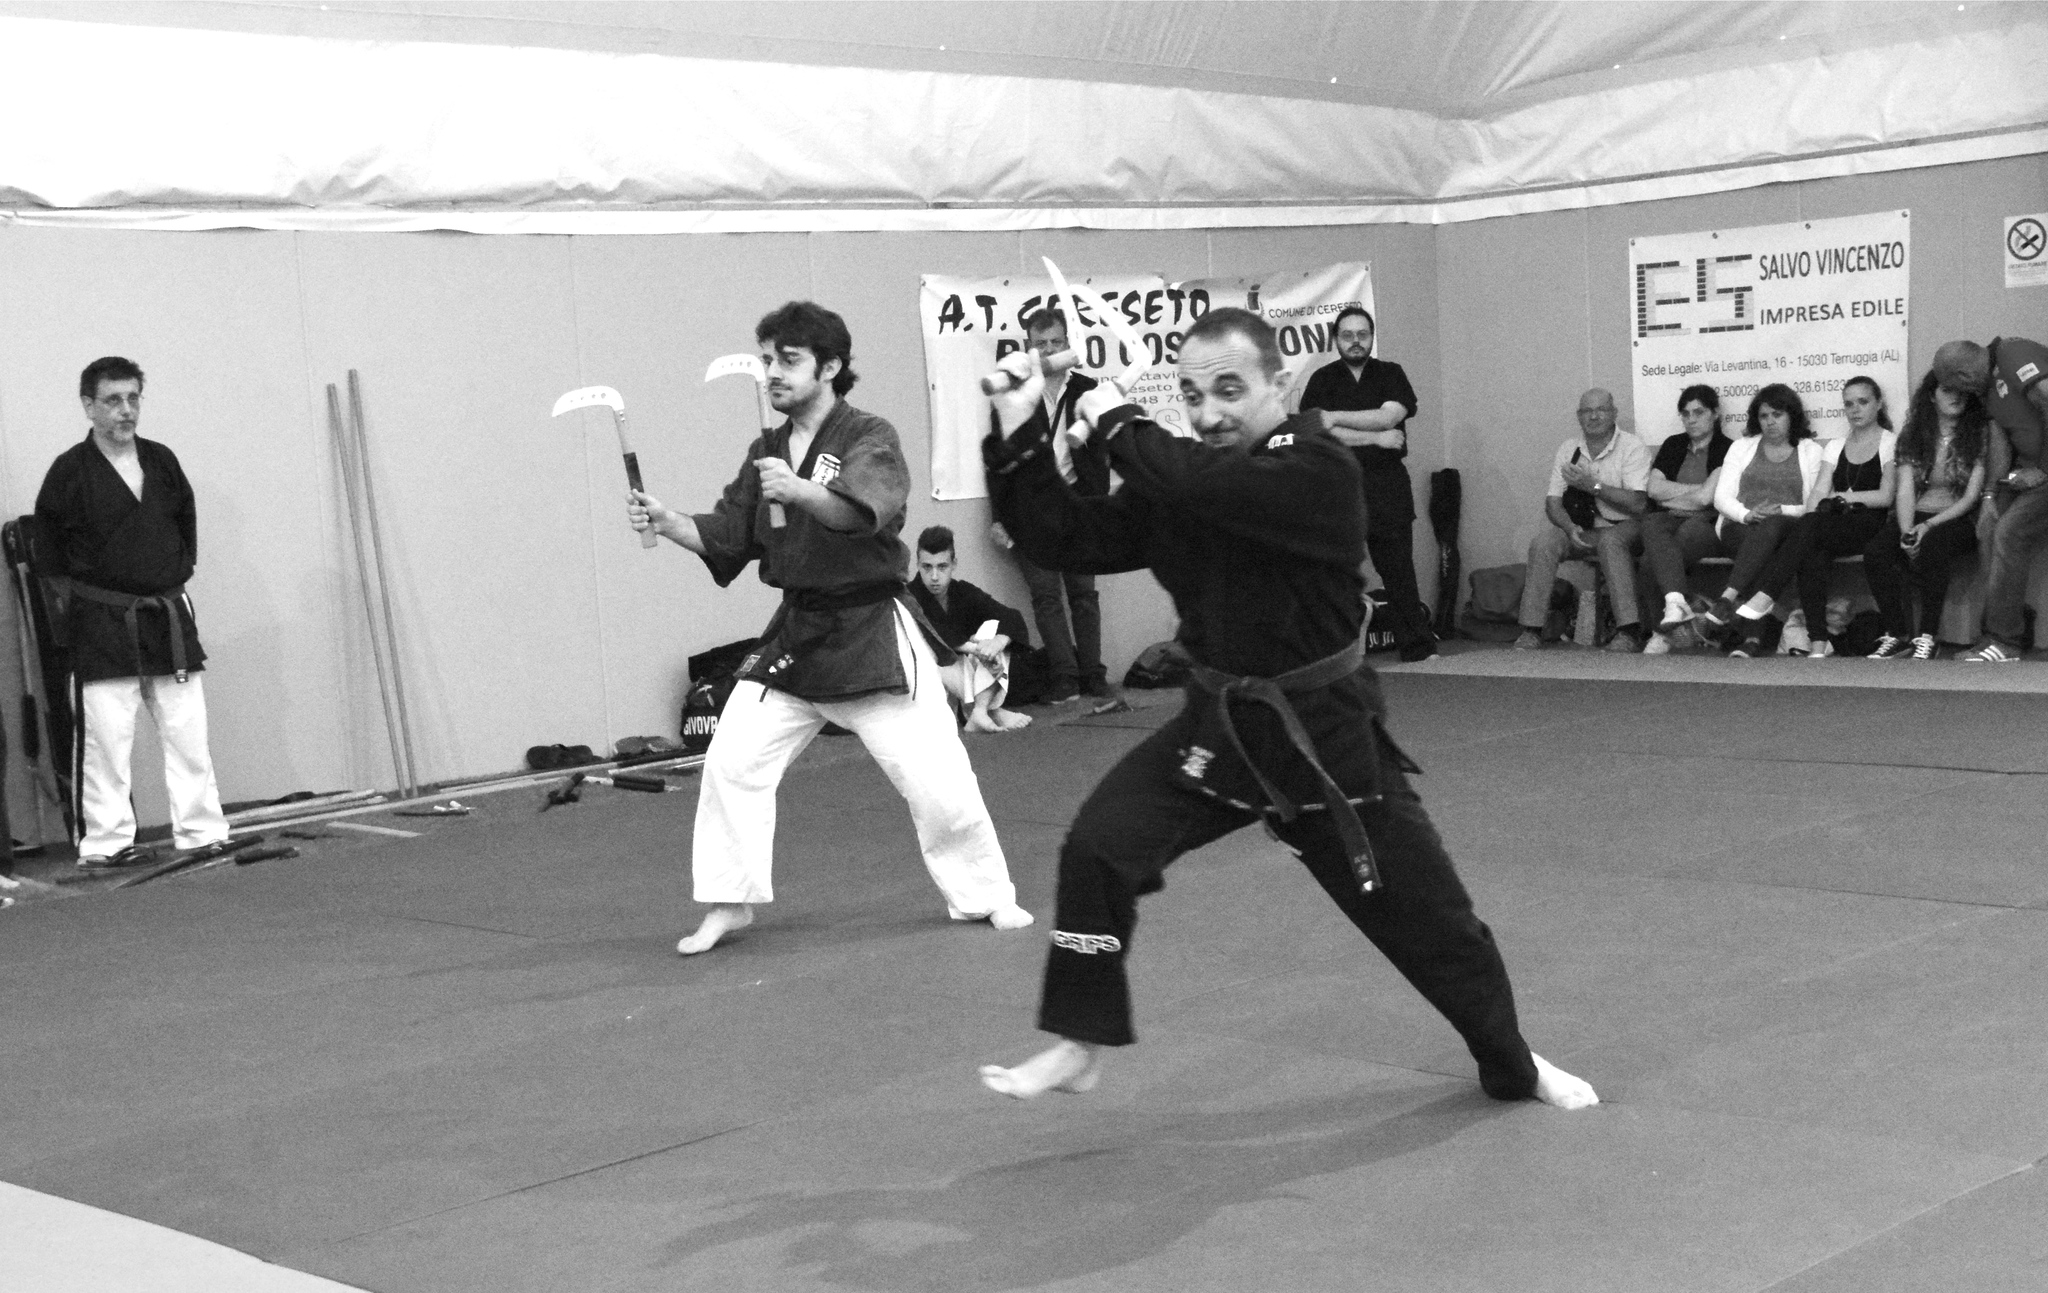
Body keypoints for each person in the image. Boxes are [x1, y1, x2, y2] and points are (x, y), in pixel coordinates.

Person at [974, 308, 1596, 1111]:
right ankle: (1080, 1039)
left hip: (1323, 738)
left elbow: (1211, 487)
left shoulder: (1317, 465)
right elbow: (1061, 535)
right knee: (1098, 846)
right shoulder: (1185, 481)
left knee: (1433, 923)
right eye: (1192, 394)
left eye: (1230, 389)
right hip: (1219, 725)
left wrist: (1118, 419)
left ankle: (1513, 1063)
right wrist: (1019, 424)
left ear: (1278, 382)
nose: (1208, 412)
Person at [628, 301, 1031, 953]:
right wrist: (670, 521)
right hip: (798, 635)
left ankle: (985, 895)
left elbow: (862, 513)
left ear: (831, 366)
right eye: (767, 360)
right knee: (732, 761)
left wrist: (800, 490)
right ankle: (730, 902)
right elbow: (729, 534)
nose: (772, 372)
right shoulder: (767, 451)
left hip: (871, 631)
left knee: (939, 784)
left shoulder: (869, 435)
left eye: (788, 360)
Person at [34, 357, 229, 867]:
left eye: (133, 399)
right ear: (89, 406)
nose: (126, 410)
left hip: (166, 611)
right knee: (107, 738)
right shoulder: (69, 472)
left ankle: (202, 830)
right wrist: (80, 611)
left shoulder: (161, 461)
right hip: (101, 618)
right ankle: (107, 843)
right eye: (113, 400)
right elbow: (49, 557)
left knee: (188, 732)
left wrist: (169, 573)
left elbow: (185, 529)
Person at [989, 308, 1116, 703]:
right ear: (1029, 348)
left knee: (1084, 594)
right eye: (1040, 344)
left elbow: (1101, 455)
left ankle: (1093, 673)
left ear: (1068, 344)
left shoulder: (1087, 390)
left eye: (1055, 342)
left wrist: (1101, 507)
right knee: (1045, 597)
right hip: (1031, 507)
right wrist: (1001, 517)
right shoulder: (1014, 395)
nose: (1048, 350)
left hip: (1079, 504)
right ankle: (1064, 676)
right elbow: (1001, 460)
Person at [1297, 307, 1438, 661]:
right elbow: (1314, 431)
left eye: (1363, 334)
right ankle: (1329, 655)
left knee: (1399, 571)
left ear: (1372, 337)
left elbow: (1388, 417)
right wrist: (1374, 439)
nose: (1356, 341)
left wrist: (1334, 417)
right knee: (1332, 575)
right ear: (1335, 339)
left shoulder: (1390, 373)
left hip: (1386, 486)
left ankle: (1417, 648)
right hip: (1337, 488)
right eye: (1347, 335)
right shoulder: (1322, 380)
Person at [1866, 358, 1989, 660]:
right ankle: (1897, 633)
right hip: (1916, 514)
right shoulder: (1913, 434)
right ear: (1932, 396)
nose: (1955, 397)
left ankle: (1927, 637)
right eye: (1947, 390)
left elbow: (1970, 497)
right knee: (1877, 552)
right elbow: (1905, 490)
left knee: (1933, 547)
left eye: (1961, 391)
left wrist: (1929, 526)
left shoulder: (1979, 433)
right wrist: (1907, 531)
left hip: (1957, 517)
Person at [1512, 389, 1651, 653]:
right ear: (1579, 416)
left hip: (1626, 526)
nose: (1594, 416)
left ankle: (1628, 631)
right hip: (1582, 527)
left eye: (1601, 410)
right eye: (1587, 411)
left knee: (1611, 542)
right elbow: (1553, 502)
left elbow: (1638, 504)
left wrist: (1592, 486)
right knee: (1543, 543)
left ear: (1614, 413)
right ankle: (1531, 629)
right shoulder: (1569, 449)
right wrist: (1568, 527)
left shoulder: (1633, 447)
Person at [1702, 384, 1835, 658]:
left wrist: (1781, 510)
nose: (1770, 422)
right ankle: (1753, 638)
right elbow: (1721, 497)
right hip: (1739, 524)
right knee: (1760, 544)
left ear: (1791, 416)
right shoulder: (1741, 447)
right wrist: (1747, 514)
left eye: (1777, 414)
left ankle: (1727, 598)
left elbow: (1814, 504)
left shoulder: (1809, 450)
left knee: (1771, 528)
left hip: (1788, 527)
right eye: (1764, 416)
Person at [1785, 377, 1897, 658]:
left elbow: (1885, 496)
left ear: (1878, 404)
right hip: (1836, 525)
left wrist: (1843, 498)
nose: (1855, 409)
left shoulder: (1890, 442)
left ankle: (1766, 593)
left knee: (1811, 533)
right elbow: (1818, 493)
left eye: (1863, 402)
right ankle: (1818, 642)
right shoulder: (1835, 445)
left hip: (1870, 524)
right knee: (1811, 552)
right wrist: (1810, 521)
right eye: (1848, 404)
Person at [1960, 337, 2048, 662]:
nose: (1962, 394)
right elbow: (1999, 444)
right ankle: (1995, 633)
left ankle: (2006, 641)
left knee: (2010, 532)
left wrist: (2043, 470)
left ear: (1966, 375)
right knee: (1989, 528)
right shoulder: (1986, 388)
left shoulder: (2012, 353)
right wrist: (1988, 497)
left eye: (1959, 386)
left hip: (2043, 470)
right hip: (2026, 471)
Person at [908, 525, 1032, 733]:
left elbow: (1011, 616)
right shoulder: (909, 596)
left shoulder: (963, 591)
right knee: (937, 655)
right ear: (918, 565)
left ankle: (980, 711)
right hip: (933, 675)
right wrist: (977, 649)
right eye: (927, 567)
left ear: (954, 564)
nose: (934, 576)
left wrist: (997, 642)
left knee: (993, 629)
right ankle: (992, 711)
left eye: (942, 566)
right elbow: (935, 635)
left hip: (966, 677)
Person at [1637, 385, 1730, 653]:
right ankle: (1676, 604)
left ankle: (1662, 631)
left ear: (1715, 413)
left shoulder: (1727, 448)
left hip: (1707, 523)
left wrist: (1676, 494)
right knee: (1651, 522)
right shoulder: (1673, 444)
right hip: (1669, 519)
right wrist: (1695, 492)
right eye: (1685, 414)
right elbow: (1653, 490)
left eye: (1698, 412)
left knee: (1650, 561)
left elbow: (1706, 500)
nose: (1691, 419)